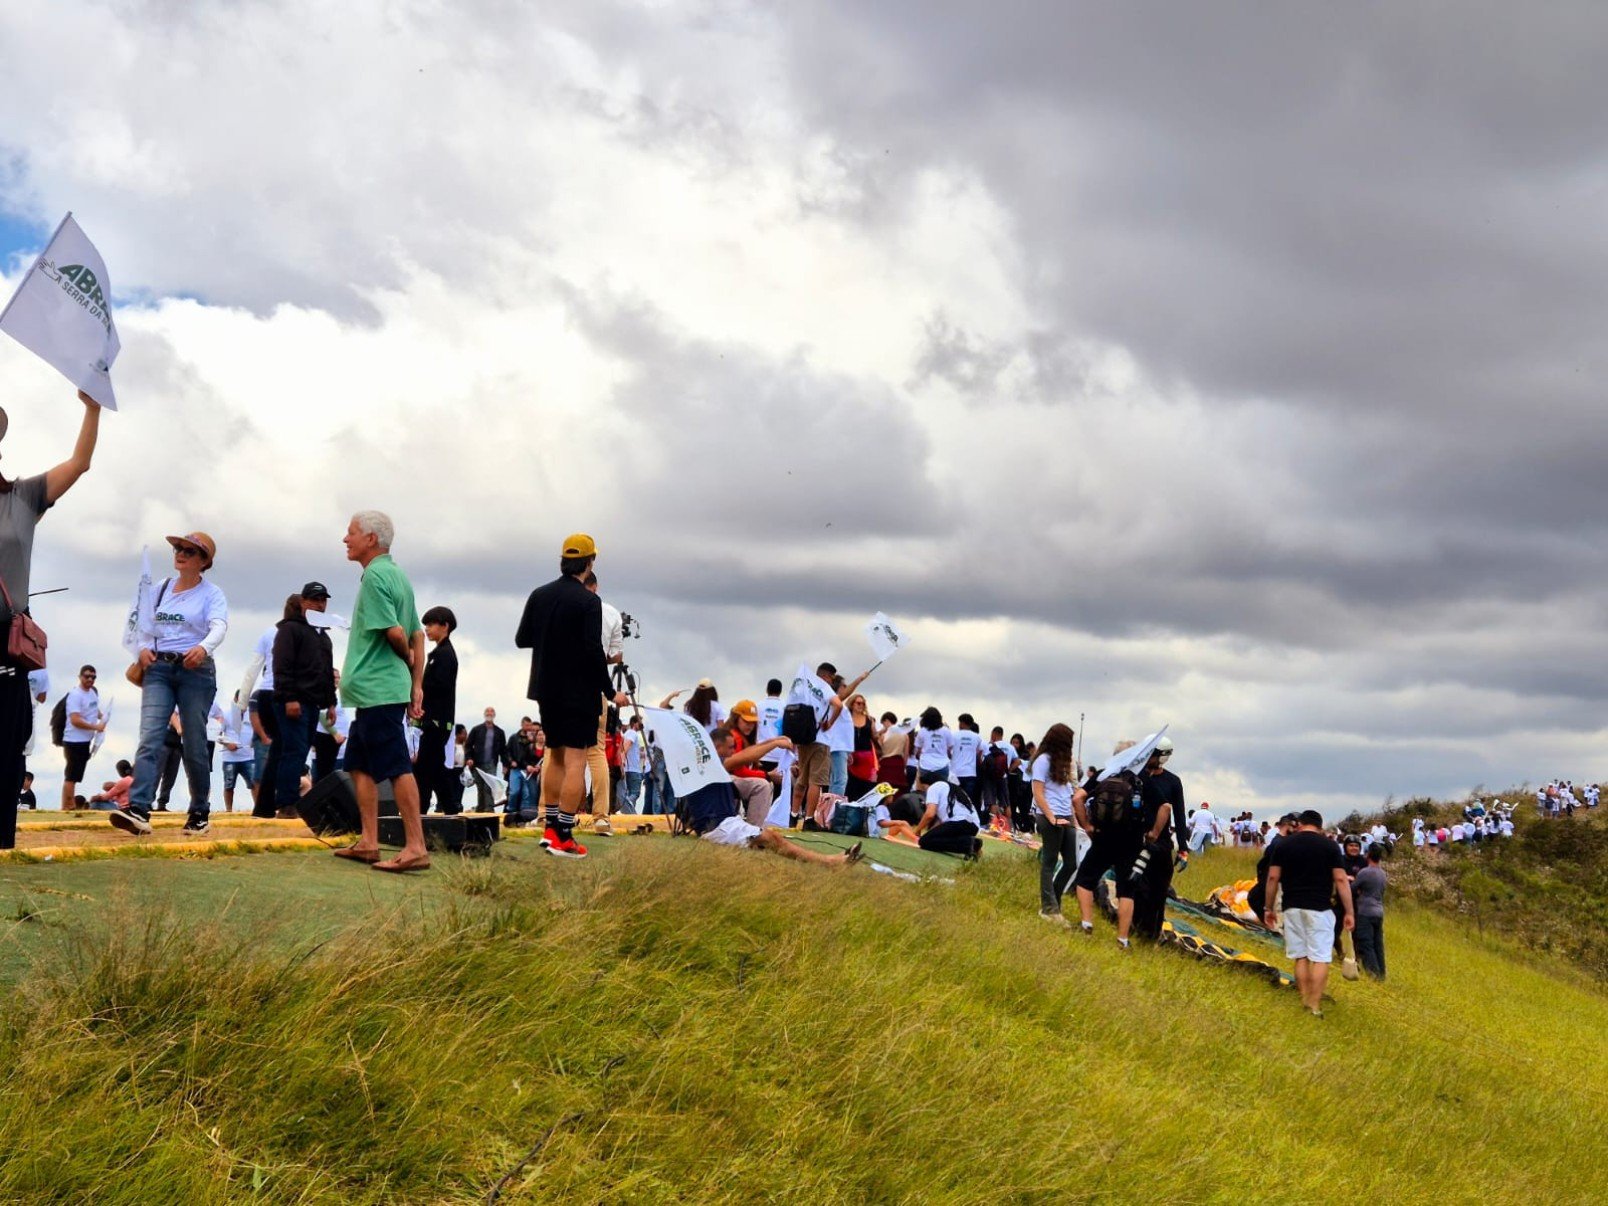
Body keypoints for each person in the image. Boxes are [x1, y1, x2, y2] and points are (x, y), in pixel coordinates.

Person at [0, 389, 100, 845]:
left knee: (7, 748)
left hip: (7, 643)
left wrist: (92, 408)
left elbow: (79, 463)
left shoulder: (21, 498)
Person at [514, 533, 629, 858]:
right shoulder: (589, 602)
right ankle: (563, 834)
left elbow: (522, 639)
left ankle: (549, 827)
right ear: (590, 562)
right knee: (577, 759)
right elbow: (593, 650)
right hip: (579, 690)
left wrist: (551, 638)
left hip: (545, 687)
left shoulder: (540, 594)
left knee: (555, 754)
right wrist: (611, 692)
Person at [328, 511, 430, 873]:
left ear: (371, 539)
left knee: (397, 766)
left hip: (379, 689)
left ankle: (415, 846)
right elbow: (418, 633)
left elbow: (400, 635)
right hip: (378, 691)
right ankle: (369, 842)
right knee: (358, 765)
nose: (346, 538)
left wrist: (407, 662)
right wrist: (416, 684)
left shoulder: (374, 576)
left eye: (351, 532)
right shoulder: (398, 575)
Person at [113, 533, 229, 838]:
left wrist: (203, 647)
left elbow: (219, 625)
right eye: (178, 548)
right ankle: (139, 808)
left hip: (196, 671)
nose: (181, 553)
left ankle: (199, 811)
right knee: (150, 737)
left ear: (204, 561)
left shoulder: (212, 594)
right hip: (159, 669)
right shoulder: (160, 589)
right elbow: (142, 624)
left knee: (194, 742)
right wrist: (141, 649)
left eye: (190, 551)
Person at [686, 725, 862, 866]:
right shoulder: (709, 764)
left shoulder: (709, 763)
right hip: (717, 828)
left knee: (771, 837)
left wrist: (774, 740)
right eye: (730, 747)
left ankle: (831, 861)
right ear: (717, 748)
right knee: (773, 839)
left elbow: (745, 754)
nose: (733, 751)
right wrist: (775, 744)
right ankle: (831, 863)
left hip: (725, 823)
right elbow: (743, 758)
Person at [1264, 810, 1355, 1018]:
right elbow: (1341, 880)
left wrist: (1268, 908)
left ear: (1300, 824)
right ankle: (1314, 1005)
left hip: (1292, 907)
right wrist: (1349, 911)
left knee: (1301, 956)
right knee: (1321, 957)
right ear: (1320, 827)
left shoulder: (1284, 845)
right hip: (1320, 908)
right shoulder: (1330, 846)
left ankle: (1305, 999)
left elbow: (1273, 878)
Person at [1072, 742, 1153, 947]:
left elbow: (1077, 798)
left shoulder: (1103, 774)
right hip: (1131, 842)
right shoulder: (1141, 779)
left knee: (1085, 879)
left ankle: (1086, 924)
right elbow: (1164, 807)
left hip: (1102, 838)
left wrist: (1087, 826)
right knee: (1126, 890)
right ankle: (1122, 939)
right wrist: (1152, 833)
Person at [270, 584, 336, 815]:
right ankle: (286, 804)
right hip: (293, 701)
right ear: (304, 602)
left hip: (313, 702)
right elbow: (282, 665)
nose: (320, 604)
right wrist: (290, 698)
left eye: (323, 600)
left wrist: (331, 702)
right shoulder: (290, 629)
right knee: (294, 750)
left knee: (301, 750)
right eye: (315, 599)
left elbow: (327, 671)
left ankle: (292, 801)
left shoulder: (323, 636)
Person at [1131, 737, 1186, 942]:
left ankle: (1152, 935)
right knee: (1138, 889)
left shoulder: (1172, 782)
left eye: (1153, 755)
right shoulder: (1137, 777)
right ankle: (1135, 928)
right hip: (1138, 840)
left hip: (1161, 844)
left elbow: (1179, 816)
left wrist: (1183, 848)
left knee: (1159, 891)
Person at [1032, 723, 1082, 924]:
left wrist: (1074, 820)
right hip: (1049, 815)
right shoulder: (1042, 760)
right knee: (1050, 861)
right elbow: (1038, 793)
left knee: (1071, 863)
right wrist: (1051, 817)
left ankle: (1054, 902)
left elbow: (1067, 794)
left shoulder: (1064, 764)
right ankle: (1049, 908)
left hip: (1065, 816)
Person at [416, 605, 459, 815]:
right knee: (433, 767)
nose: (427, 629)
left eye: (431, 624)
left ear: (445, 626)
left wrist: (418, 688)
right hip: (433, 720)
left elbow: (439, 686)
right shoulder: (437, 653)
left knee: (426, 767)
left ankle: (423, 810)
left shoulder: (444, 654)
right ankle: (448, 809)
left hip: (437, 720)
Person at [61, 665, 105, 812]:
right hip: (74, 740)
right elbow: (75, 720)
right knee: (71, 775)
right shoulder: (75, 695)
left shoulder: (92, 693)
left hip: (85, 740)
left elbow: (94, 709)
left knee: (76, 775)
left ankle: (69, 805)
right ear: (80, 677)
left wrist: (103, 717)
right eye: (87, 676)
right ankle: (67, 805)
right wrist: (95, 727)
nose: (90, 679)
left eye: (93, 677)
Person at [725, 700, 775, 825]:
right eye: (746, 721)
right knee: (763, 785)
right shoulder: (735, 736)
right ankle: (754, 829)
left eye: (753, 722)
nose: (750, 726)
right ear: (736, 718)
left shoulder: (739, 735)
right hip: (725, 780)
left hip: (727, 780)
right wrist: (767, 775)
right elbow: (738, 771)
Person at [914, 775, 982, 857]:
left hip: (959, 822)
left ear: (927, 784)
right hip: (973, 826)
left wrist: (917, 830)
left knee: (924, 841)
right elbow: (941, 825)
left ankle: (968, 844)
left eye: (924, 788)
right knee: (935, 838)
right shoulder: (954, 788)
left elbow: (930, 814)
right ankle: (972, 844)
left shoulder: (933, 787)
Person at [1352, 846, 1387, 979]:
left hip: (1365, 911)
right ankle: (1382, 972)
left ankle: (1373, 972)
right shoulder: (1382, 874)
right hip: (1378, 911)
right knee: (1378, 944)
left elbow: (1353, 888)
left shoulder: (1364, 872)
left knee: (1366, 942)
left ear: (1368, 855)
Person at [218, 706, 255, 813]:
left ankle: (258, 808)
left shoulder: (252, 713)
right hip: (230, 758)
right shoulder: (225, 714)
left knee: (254, 783)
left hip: (249, 756)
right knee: (229, 785)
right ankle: (229, 810)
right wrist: (227, 743)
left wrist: (255, 740)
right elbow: (216, 734)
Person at [845, 694, 879, 799]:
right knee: (850, 785)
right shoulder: (846, 718)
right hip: (851, 756)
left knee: (867, 785)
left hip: (866, 756)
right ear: (852, 704)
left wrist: (879, 733)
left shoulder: (869, 719)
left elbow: (874, 736)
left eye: (863, 704)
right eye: (858, 703)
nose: (861, 705)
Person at [912, 707, 955, 788]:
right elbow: (950, 748)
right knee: (942, 790)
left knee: (924, 790)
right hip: (942, 766)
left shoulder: (922, 731)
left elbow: (917, 751)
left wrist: (919, 756)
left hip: (925, 765)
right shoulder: (946, 731)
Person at [464, 707, 506, 783]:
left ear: (494, 715)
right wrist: (469, 758)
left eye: (491, 711)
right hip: (477, 763)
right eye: (487, 711)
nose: (489, 713)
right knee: (480, 787)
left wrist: (505, 765)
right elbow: (468, 745)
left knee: (489, 786)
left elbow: (503, 750)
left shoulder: (499, 732)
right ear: (484, 714)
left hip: (491, 764)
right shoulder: (476, 729)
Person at [951, 713, 982, 807]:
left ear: (962, 723)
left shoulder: (954, 735)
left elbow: (949, 750)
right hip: (970, 773)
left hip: (955, 773)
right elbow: (979, 751)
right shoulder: (977, 737)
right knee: (967, 801)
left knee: (954, 801)